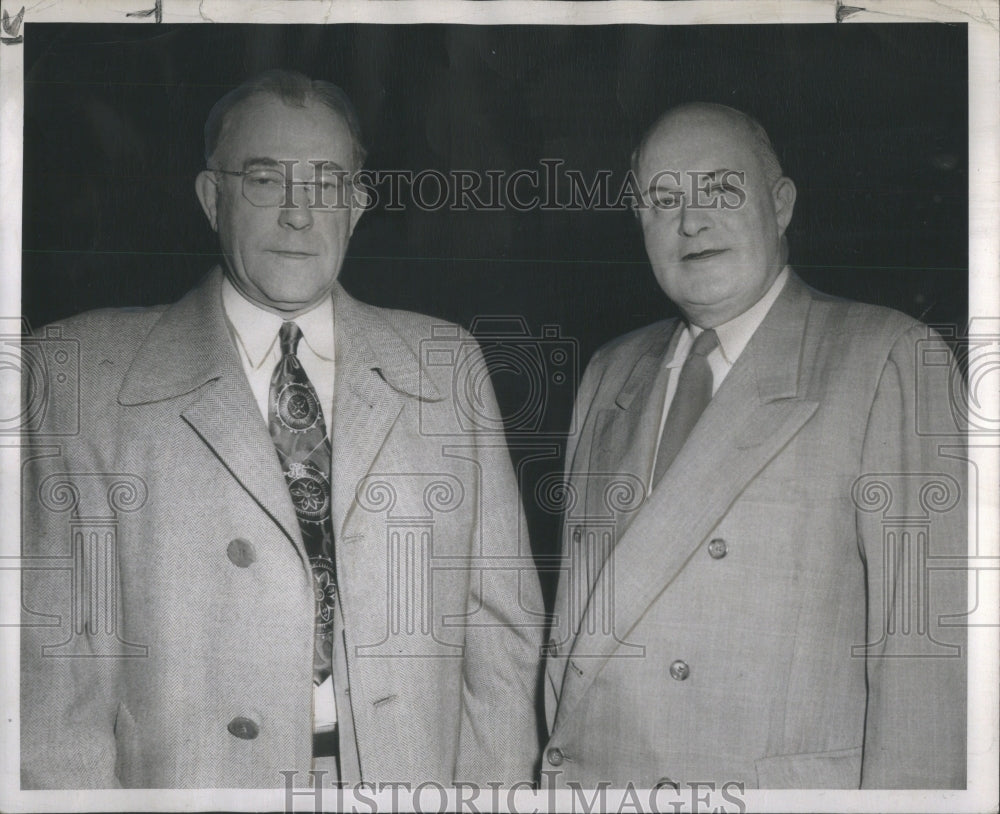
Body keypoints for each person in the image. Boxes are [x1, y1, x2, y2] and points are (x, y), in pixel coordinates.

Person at [21, 69, 542, 789]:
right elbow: (54, 686)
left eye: (327, 184)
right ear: (213, 198)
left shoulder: (445, 365)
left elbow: (501, 642)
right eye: (266, 181)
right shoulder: (85, 376)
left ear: (356, 207)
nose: (299, 214)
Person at [542, 103, 967, 789]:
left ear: (782, 204)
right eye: (663, 200)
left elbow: (927, 670)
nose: (691, 221)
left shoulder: (886, 358)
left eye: (720, 189)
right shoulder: (609, 374)